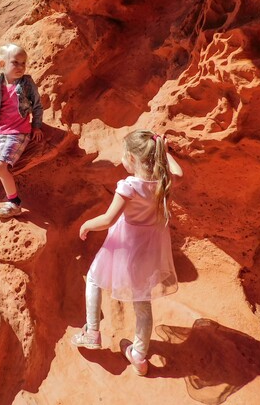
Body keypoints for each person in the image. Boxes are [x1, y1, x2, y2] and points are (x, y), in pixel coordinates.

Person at [71, 130, 183, 376]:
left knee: (93, 278)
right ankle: (139, 356)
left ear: (132, 158)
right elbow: (178, 173)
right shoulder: (162, 181)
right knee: (142, 306)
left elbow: (109, 220)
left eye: (124, 155)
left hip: (126, 246)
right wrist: (164, 152)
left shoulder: (129, 186)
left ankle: (92, 332)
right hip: (149, 250)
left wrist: (88, 224)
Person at [0, 43, 44, 220]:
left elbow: (37, 105)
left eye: (23, 63)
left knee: (0, 166)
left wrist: (36, 126)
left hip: (18, 131)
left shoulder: (26, 83)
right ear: (2, 64)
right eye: (15, 63)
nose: (20, 67)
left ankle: (15, 203)